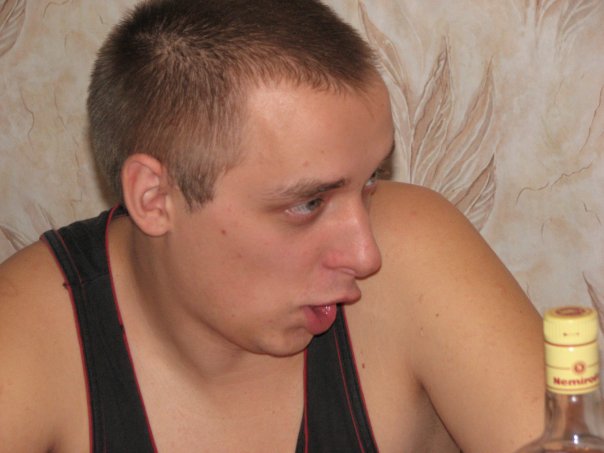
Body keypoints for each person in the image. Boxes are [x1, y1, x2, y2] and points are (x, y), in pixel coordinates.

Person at [0, 0, 545, 451]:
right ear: (156, 198)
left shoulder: (417, 253)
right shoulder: (26, 341)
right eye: (308, 204)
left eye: (371, 180)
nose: (365, 254)